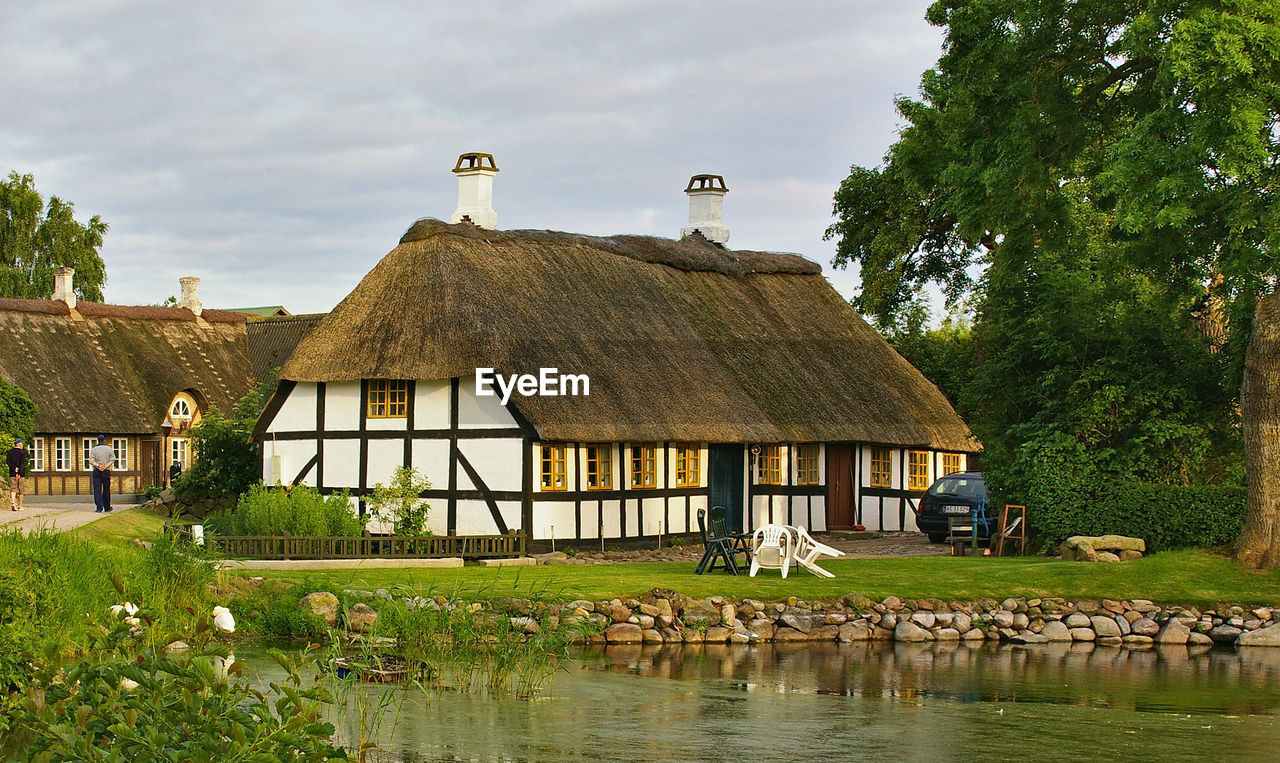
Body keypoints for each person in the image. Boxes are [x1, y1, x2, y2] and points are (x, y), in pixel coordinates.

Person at [90, 434, 116, 513]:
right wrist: (105, 466)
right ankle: (107, 507)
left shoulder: (94, 450)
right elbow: (112, 459)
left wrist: (99, 466)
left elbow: (91, 461)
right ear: (104, 440)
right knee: (106, 489)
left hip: (97, 471)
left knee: (97, 489)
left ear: (98, 440)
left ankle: (99, 507)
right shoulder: (109, 449)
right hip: (106, 470)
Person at [6, 438, 27, 512]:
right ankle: (20, 505)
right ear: (19, 444)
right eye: (22, 443)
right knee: (21, 489)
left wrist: (14, 470)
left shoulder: (10, 452)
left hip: (12, 473)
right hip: (21, 474)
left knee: (13, 488)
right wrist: (18, 472)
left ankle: (13, 503)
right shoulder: (23, 453)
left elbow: (8, 462)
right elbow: (22, 463)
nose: (22, 445)